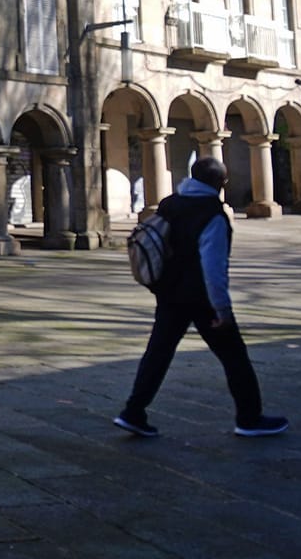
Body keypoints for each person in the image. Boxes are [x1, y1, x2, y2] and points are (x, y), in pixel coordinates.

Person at [115, 157, 288, 438]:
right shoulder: (212, 213)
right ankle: (249, 418)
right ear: (220, 183)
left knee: (158, 353)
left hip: (169, 293)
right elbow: (212, 266)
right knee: (235, 357)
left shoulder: (170, 203)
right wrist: (222, 308)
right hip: (202, 299)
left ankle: (133, 411)